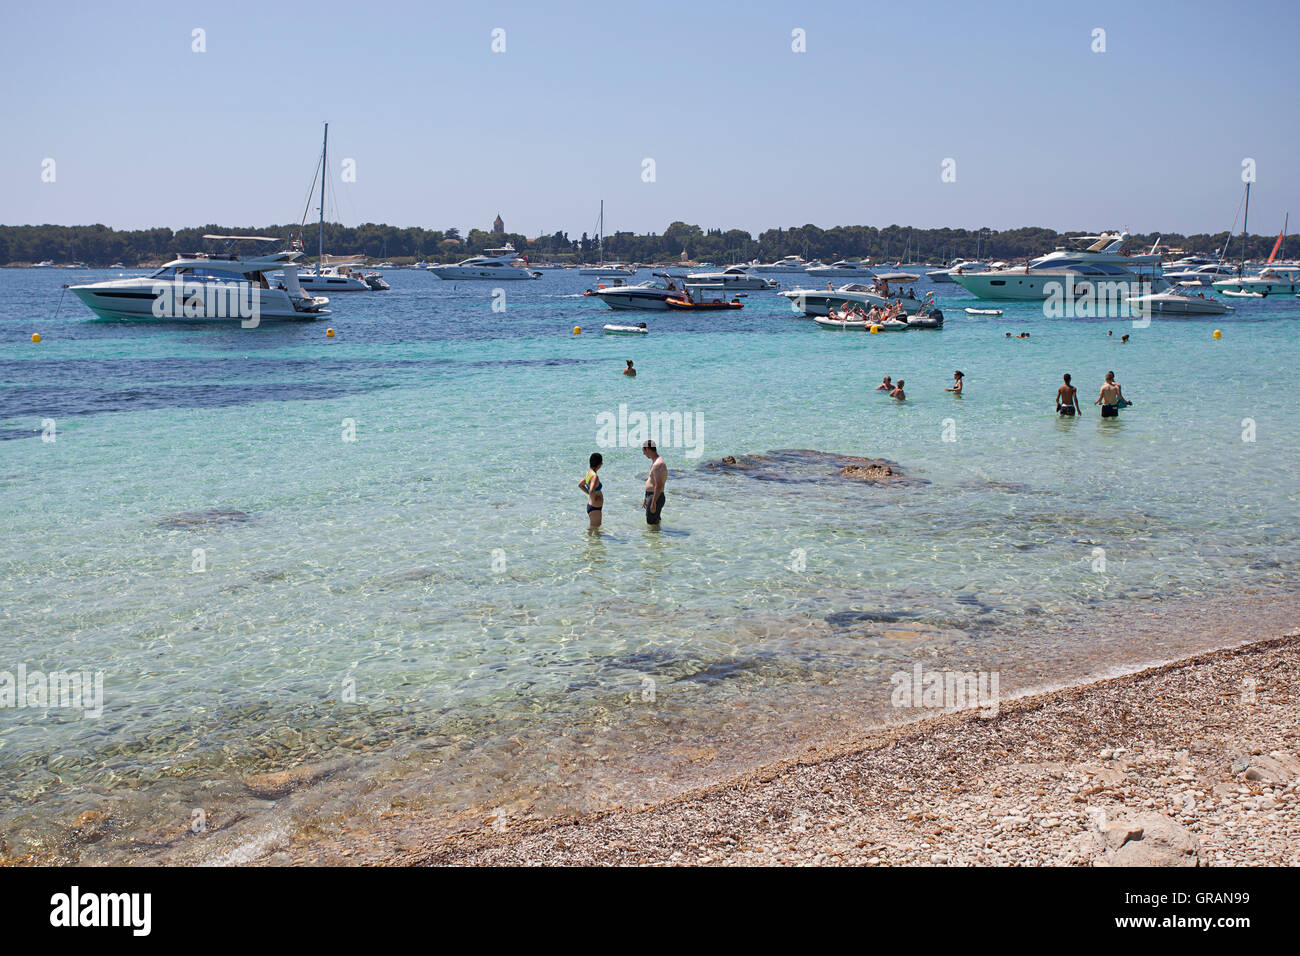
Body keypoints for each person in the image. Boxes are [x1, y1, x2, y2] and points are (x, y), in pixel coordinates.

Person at [642, 440, 666, 525]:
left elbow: (659, 485)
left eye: (644, 451)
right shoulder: (655, 461)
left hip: (655, 497)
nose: (644, 454)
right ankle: (656, 538)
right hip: (652, 496)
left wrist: (653, 503)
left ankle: (653, 539)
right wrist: (646, 497)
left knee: (652, 526)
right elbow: (652, 481)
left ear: (647, 449)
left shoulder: (658, 464)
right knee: (654, 524)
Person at [579, 453, 604, 530]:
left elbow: (580, 485)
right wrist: (594, 498)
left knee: (593, 528)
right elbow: (592, 490)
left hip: (592, 506)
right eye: (601, 462)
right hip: (595, 507)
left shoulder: (589, 473)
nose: (602, 464)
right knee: (595, 528)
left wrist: (591, 496)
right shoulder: (595, 476)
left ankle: (589, 541)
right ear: (599, 464)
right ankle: (589, 541)